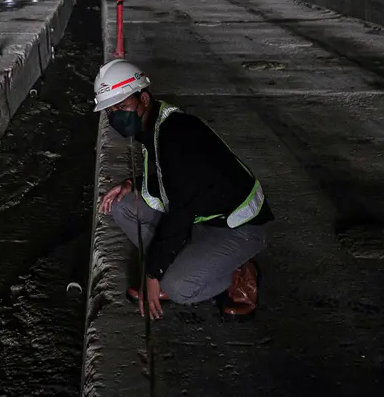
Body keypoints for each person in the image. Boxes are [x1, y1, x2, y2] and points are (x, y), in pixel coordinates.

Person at [93, 59, 273, 320]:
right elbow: (175, 181)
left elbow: (181, 209)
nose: (116, 115)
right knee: (123, 205)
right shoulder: (153, 126)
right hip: (204, 215)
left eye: (122, 106)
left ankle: (238, 270)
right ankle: (186, 262)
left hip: (239, 225)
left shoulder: (176, 133)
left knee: (178, 288)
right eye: (110, 111)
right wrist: (132, 184)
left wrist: (154, 273)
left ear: (143, 98)